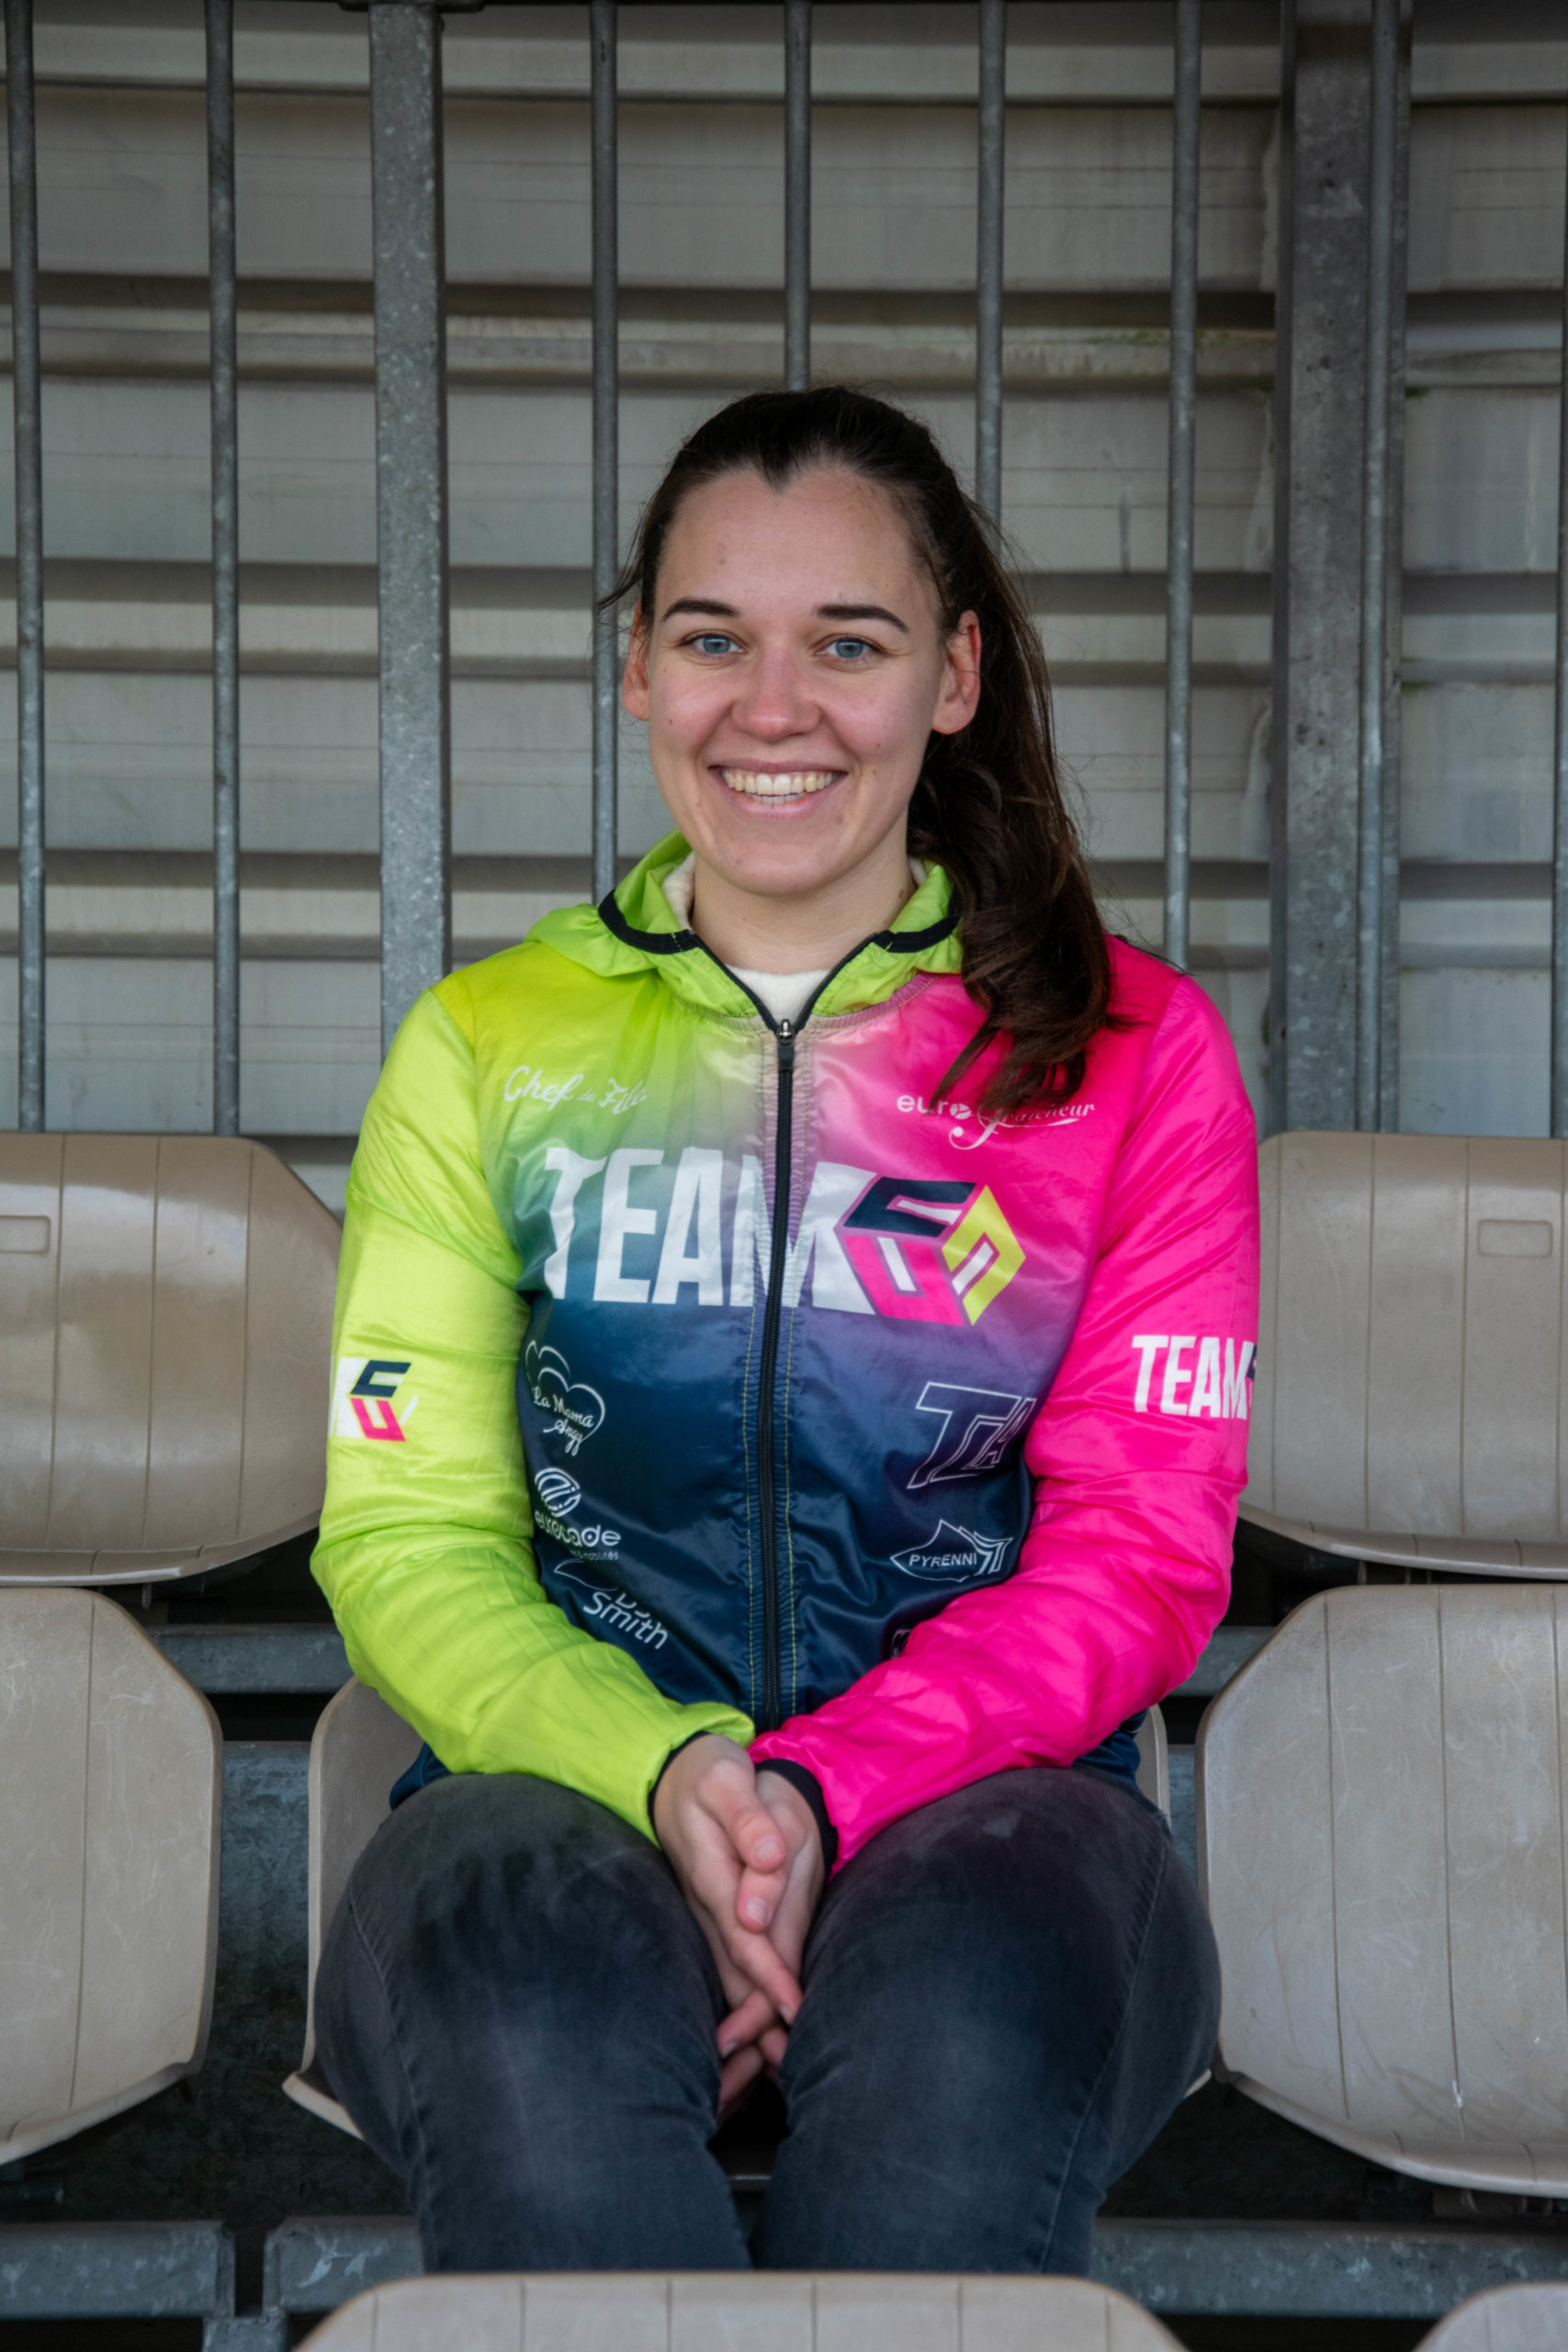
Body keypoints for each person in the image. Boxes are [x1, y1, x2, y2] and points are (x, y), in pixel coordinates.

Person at [311, 385, 1258, 2277]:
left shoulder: (1134, 1058)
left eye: (847, 642)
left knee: (956, 2053)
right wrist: (671, 1773)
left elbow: (1140, 1554)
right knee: (530, 2026)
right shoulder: (483, 1049)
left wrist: (828, 1788)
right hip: (554, 1791)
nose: (772, 707)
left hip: (997, 1810)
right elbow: (405, 1536)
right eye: (711, 639)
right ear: (637, 672)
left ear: (953, 675)